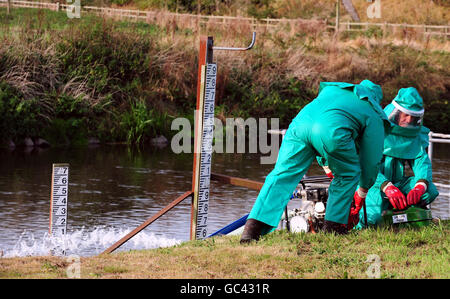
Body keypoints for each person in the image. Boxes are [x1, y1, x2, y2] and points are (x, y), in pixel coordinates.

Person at [240, 80, 390, 242]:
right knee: (348, 174)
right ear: (375, 99)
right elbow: (371, 160)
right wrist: (362, 191)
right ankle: (334, 227)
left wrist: (326, 166)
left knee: (282, 175)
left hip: (299, 126)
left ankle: (252, 229)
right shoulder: (371, 111)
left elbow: (319, 127)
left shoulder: (333, 92)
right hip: (331, 131)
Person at [354, 87, 439, 228]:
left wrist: (420, 185)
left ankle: (402, 214)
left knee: (430, 191)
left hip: (398, 183)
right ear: (396, 112)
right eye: (406, 114)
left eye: (414, 117)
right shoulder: (377, 127)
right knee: (372, 218)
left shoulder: (414, 135)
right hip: (372, 184)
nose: (409, 120)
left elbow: (421, 161)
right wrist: (386, 186)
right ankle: (363, 220)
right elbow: (365, 164)